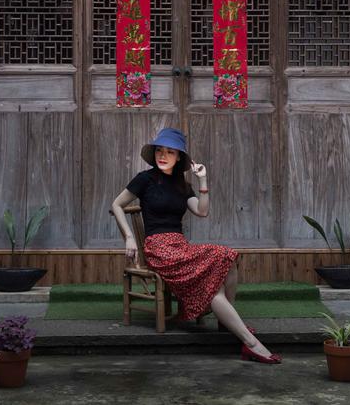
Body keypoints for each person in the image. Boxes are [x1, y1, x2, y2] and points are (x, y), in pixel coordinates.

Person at [110, 127, 282, 364]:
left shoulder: (182, 185)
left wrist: (202, 179)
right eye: (159, 150)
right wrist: (129, 237)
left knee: (228, 255)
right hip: (158, 249)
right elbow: (117, 204)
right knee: (212, 286)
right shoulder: (145, 179)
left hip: (180, 246)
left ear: (179, 157)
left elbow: (202, 211)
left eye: (170, 152)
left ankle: (227, 321)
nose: (163, 155)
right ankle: (251, 344)